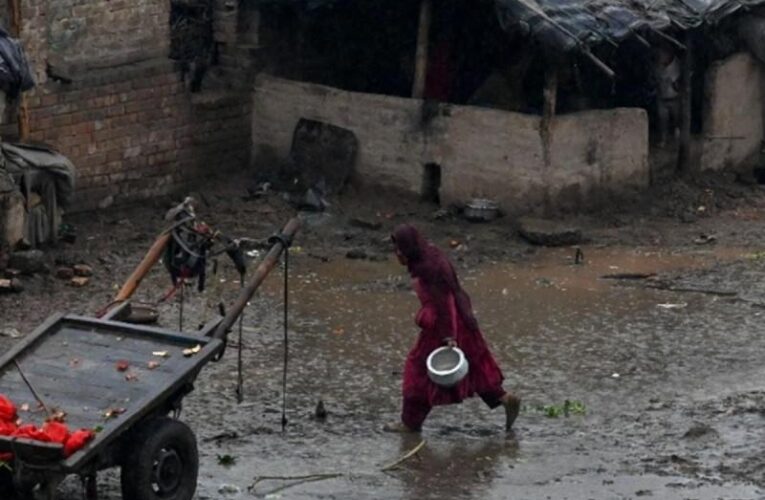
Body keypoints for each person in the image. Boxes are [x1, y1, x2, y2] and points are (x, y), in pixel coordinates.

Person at [384, 224, 521, 433]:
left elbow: (444, 303)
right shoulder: (431, 255)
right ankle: (505, 399)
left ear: (409, 249)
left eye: (400, 251)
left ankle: (409, 423)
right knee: (475, 366)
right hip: (463, 321)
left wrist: (448, 336)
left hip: (443, 327)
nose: (397, 256)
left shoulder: (428, 269)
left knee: (417, 370)